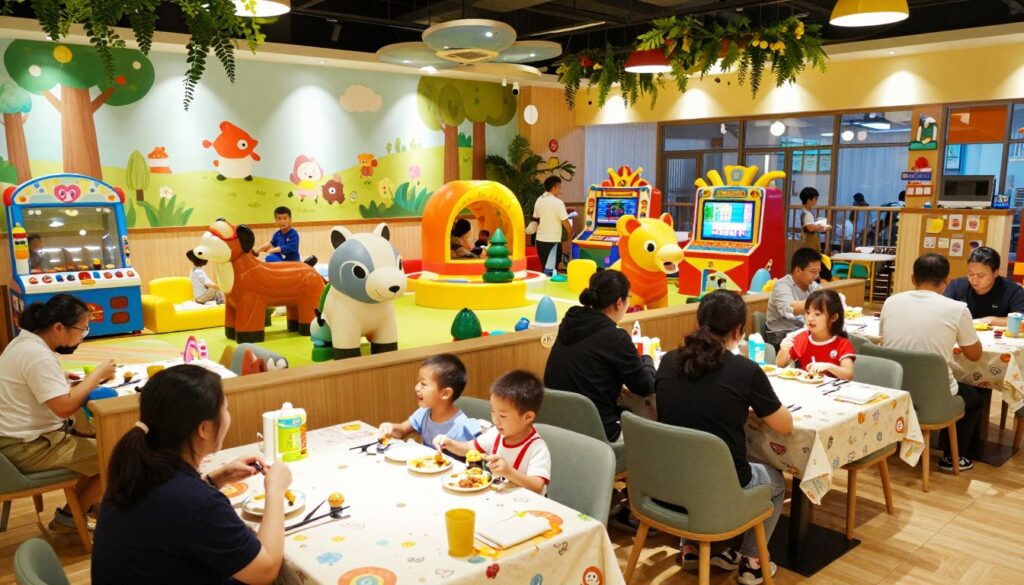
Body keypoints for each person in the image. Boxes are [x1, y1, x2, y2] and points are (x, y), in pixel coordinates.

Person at [92, 365, 292, 585]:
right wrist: (275, 490)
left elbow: (169, 513)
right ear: (204, 429)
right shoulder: (196, 503)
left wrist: (213, 480)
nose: (227, 416)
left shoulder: (136, 469)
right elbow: (266, 570)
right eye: (225, 409)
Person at [655, 290, 792, 585]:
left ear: (699, 321)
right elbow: (784, 424)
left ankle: (691, 548)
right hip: (721, 486)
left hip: (667, 482)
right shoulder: (744, 370)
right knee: (777, 481)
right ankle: (752, 562)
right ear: (739, 330)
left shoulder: (667, 361)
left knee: (693, 457)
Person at [0, 294, 115, 533]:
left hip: (16, 440)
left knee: (94, 441)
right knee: (115, 458)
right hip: (25, 446)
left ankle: (89, 507)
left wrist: (57, 379)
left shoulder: (24, 343)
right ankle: (69, 518)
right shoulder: (36, 355)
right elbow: (64, 407)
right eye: (81, 330)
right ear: (59, 327)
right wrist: (97, 375)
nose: (83, 336)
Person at [881, 253, 983, 472]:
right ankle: (952, 458)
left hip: (893, 387)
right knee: (974, 396)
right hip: (932, 396)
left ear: (912, 278)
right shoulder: (957, 309)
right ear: (947, 280)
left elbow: (884, 341)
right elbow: (974, 355)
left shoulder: (890, 302)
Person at [543, 270, 655, 442]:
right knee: (654, 430)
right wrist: (647, 358)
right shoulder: (614, 337)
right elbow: (645, 385)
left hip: (558, 425)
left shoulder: (570, 322)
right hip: (598, 430)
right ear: (619, 302)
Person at [435, 370, 550, 495]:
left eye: (502, 415)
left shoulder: (537, 448)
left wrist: (509, 472)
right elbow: (468, 448)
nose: (495, 419)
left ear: (527, 417)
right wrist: (449, 443)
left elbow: (537, 487)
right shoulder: (495, 433)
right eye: (492, 411)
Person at [377, 354, 480, 450]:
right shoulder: (423, 413)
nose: (417, 388)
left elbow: (477, 454)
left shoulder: (463, 427)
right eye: (418, 382)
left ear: (445, 394)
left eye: (423, 384)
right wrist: (391, 427)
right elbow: (402, 430)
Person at [776, 289, 855, 380]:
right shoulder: (802, 338)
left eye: (817, 314)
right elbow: (780, 365)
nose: (810, 318)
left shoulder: (842, 343)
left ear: (834, 317)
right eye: (808, 312)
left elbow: (849, 375)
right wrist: (784, 350)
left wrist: (829, 366)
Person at [943, 247, 1024, 327]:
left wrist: (992, 320)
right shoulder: (957, 286)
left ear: (996, 273)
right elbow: (941, 310)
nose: (974, 280)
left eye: (981, 276)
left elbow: (1022, 319)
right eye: (971, 274)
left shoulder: (1013, 290)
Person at [765, 248, 822, 349]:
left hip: (802, 331)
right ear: (797, 270)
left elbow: (823, 298)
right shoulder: (781, 285)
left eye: (818, 272)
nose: (817, 276)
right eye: (813, 272)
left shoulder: (812, 285)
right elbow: (789, 308)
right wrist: (819, 302)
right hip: (779, 336)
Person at [533, 176, 574, 276]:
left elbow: (536, 217)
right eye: (559, 187)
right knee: (551, 270)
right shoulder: (558, 203)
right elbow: (566, 222)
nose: (560, 191)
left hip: (540, 240)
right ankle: (548, 288)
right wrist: (571, 235)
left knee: (545, 267)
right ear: (554, 188)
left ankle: (544, 288)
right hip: (553, 241)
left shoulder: (539, 200)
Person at [799, 187, 829, 252]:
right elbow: (810, 228)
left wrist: (822, 227)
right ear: (809, 200)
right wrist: (819, 225)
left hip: (810, 243)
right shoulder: (807, 214)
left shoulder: (807, 212)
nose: (816, 201)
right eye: (815, 198)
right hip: (810, 243)